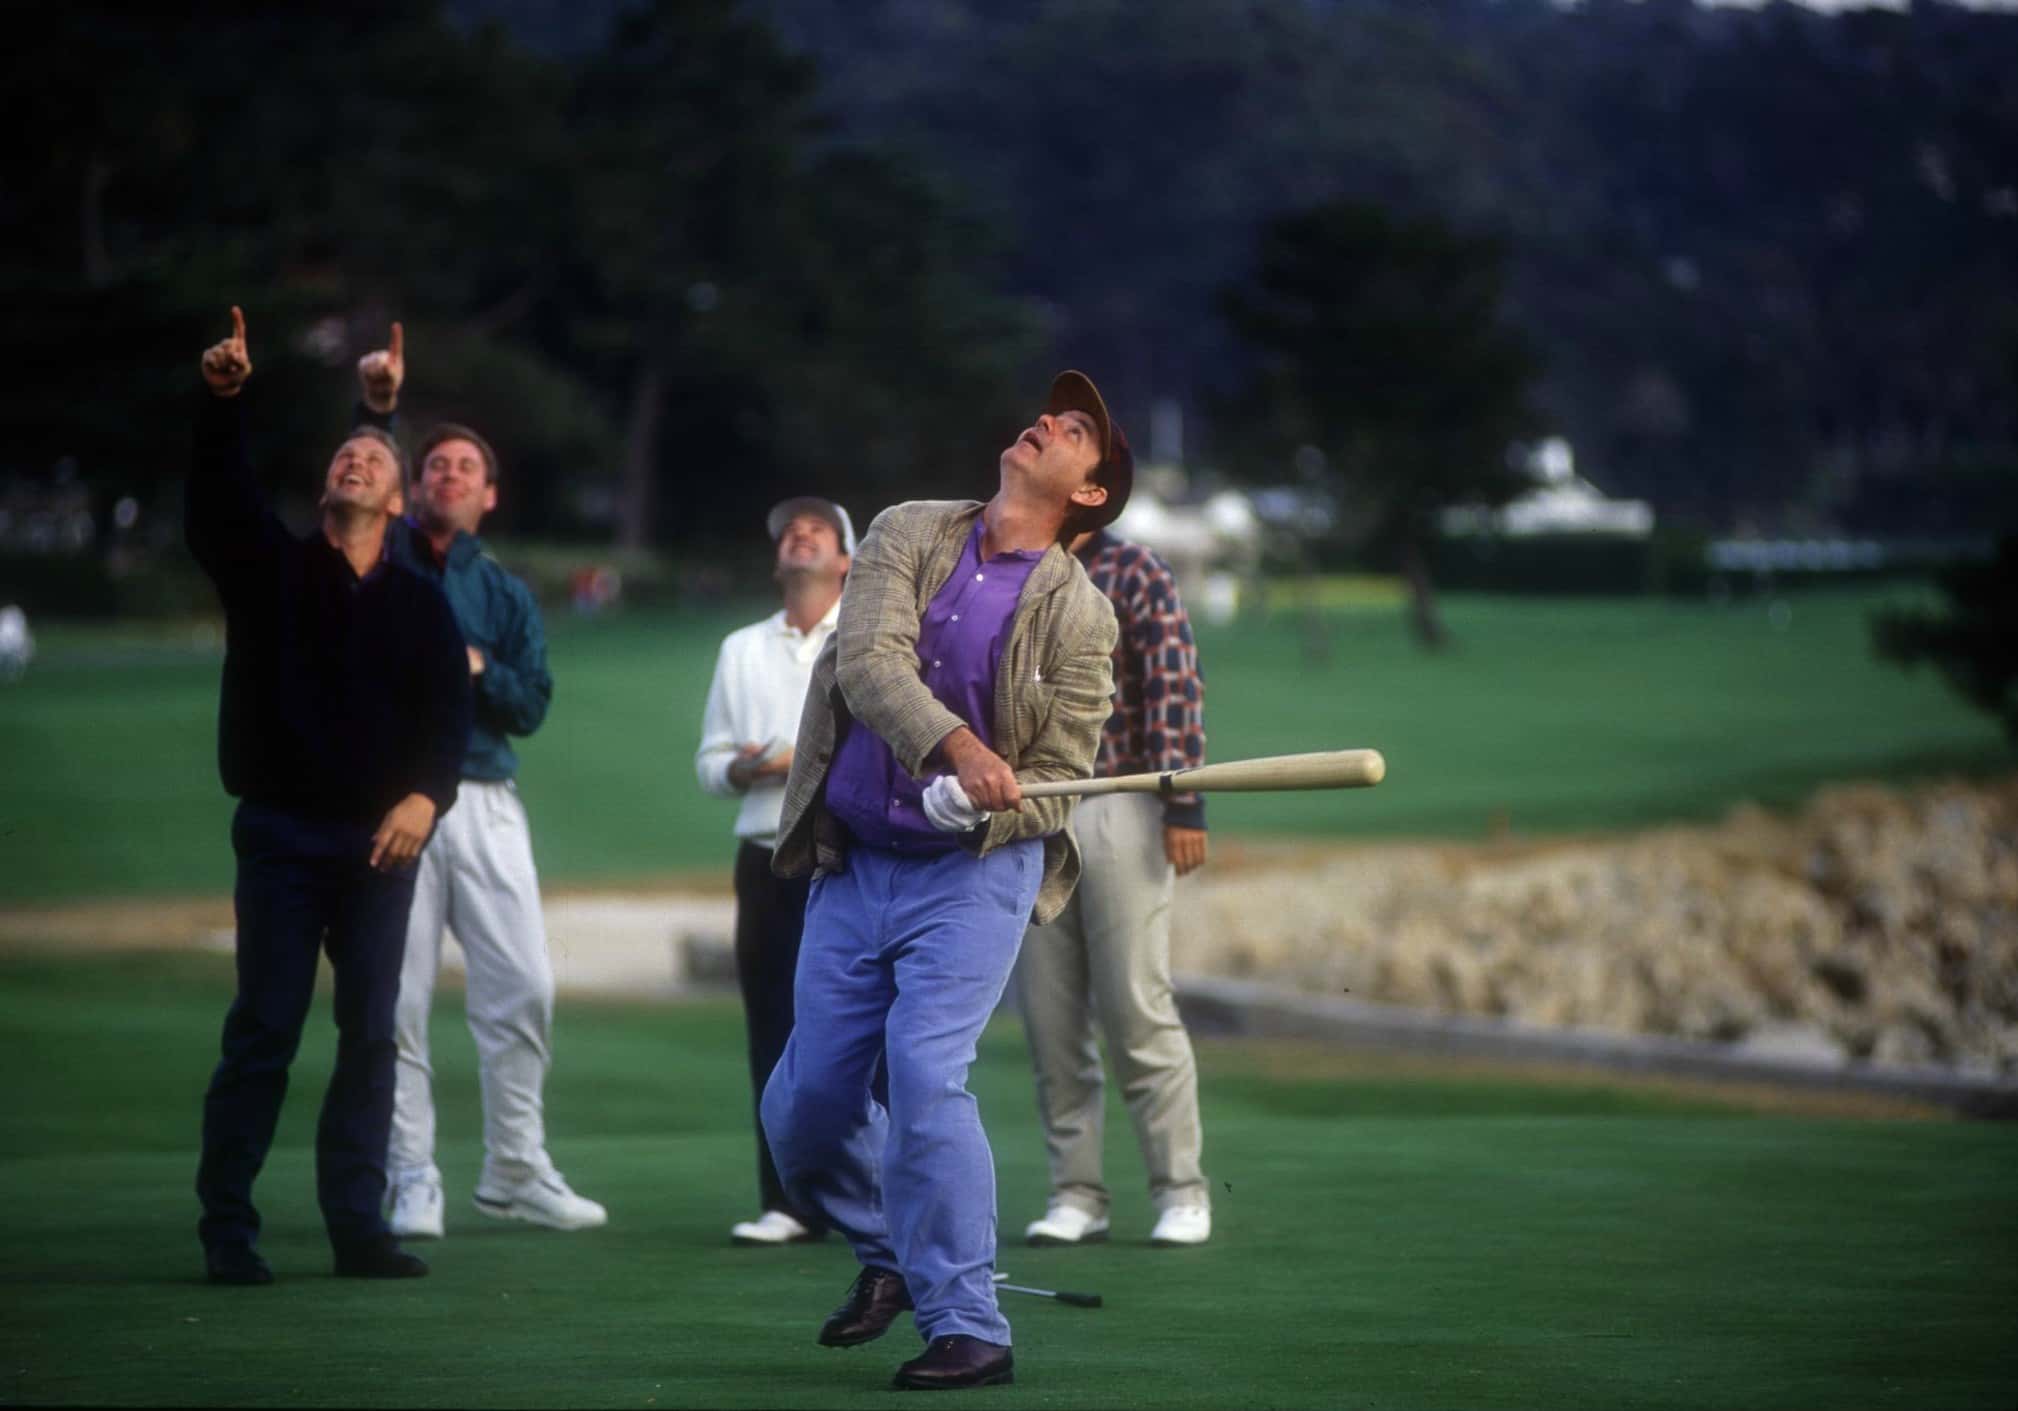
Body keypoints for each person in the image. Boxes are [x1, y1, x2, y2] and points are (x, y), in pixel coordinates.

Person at [761, 370, 1131, 1391]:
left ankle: (970, 1325)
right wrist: (958, 752)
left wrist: (989, 804)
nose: (1047, 421)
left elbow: (1057, 781)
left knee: (925, 1077)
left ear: (1089, 491)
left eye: (1075, 430)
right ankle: (890, 1250)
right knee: (802, 1109)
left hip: (974, 875)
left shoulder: (1084, 618)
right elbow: (868, 664)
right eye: (1051, 411)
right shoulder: (906, 528)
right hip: (856, 860)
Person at [186, 307, 471, 1285]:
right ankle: (228, 1228)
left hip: (380, 850)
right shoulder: (270, 570)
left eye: (374, 458)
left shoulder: (418, 600)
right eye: (344, 455)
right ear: (324, 487)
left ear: (397, 500)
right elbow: (217, 503)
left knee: (371, 1034)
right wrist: (223, 399)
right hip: (279, 834)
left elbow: (447, 719)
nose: (356, 461)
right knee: (264, 1029)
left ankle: (358, 1226)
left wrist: (426, 797)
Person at [349, 327, 608, 1238]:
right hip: (393, 804)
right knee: (398, 999)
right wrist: (378, 409)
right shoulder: (381, 559)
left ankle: (515, 1167)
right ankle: (412, 1176)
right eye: (436, 466)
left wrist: (475, 669)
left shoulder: (504, 594)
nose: (450, 475)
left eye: (467, 468)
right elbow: (362, 476)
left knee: (524, 986)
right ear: (412, 486)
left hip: (487, 799)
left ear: (489, 494)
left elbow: (530, 702)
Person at [1015, 528, 1213, 1249]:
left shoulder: (1135, 570)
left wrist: (1184, 802)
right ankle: (1077, 1194)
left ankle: (1181, 1190)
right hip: (1028, 810)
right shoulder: (1008, 565)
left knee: (1135, 1005)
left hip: (1121, 797)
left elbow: (1172, 685)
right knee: (1049, 1017)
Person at [695, 495, 857, 1247]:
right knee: (773, 1028)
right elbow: (710, 763)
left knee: (860, 1030)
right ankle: (789, 1201)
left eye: (817, 529)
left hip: (846, 856)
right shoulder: (741, 648)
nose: (799, 536)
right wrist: (744, 767)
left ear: (846, 560)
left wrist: (806, 761)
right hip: (764, 854)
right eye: (790, 531)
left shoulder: (867, 638)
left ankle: (870, 1198)